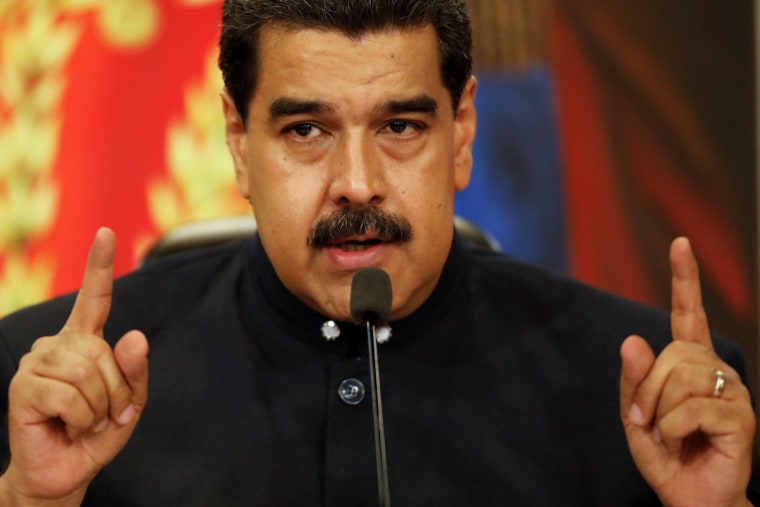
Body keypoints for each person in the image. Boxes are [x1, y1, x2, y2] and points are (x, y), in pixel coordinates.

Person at [0, 0, 757, 505]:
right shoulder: (48, 396)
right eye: (306, 130)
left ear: (461, 133)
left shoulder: (652, 394)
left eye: (400, 127)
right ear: (238, 141)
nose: (357, 185)